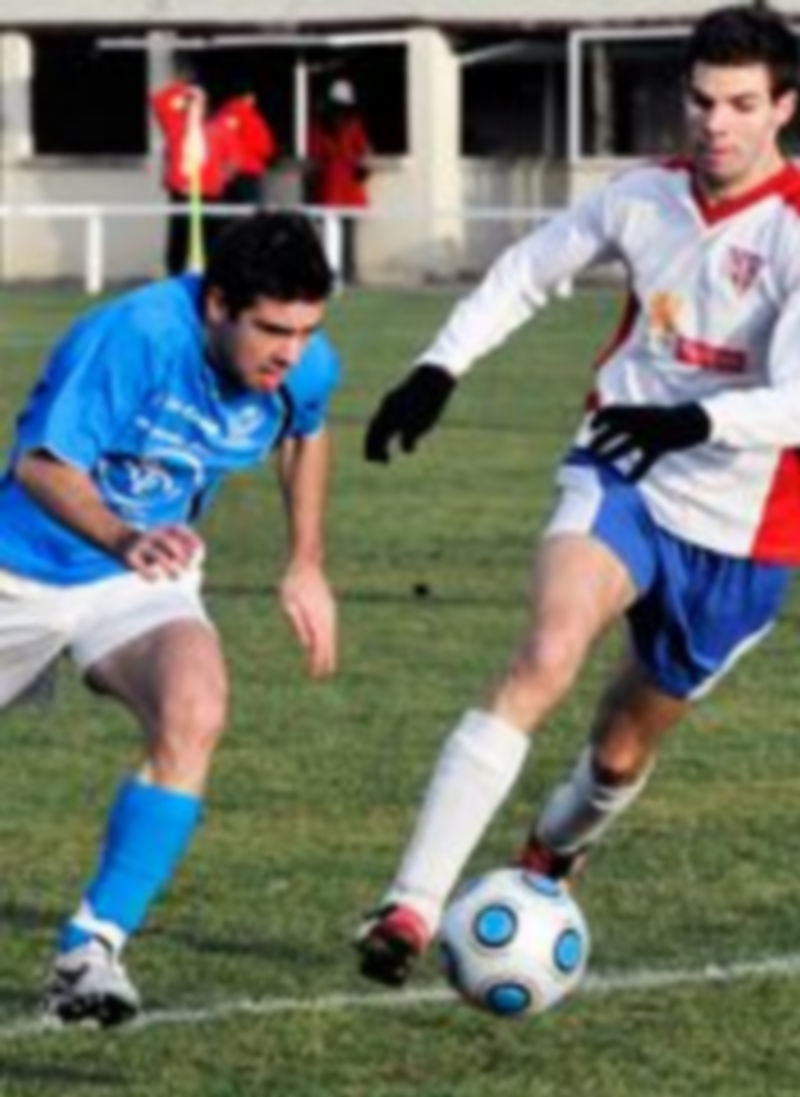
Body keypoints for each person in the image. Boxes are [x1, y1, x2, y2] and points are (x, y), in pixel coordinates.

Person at [355, 4, 800, 987]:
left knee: (614, 755)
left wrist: (695, 421)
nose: (713, 124)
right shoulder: (640, 196)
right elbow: (524, 272)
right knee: (545, 652)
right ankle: (410, 905)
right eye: (698, 100)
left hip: (747, 531)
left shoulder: (793, 229)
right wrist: (438, 367)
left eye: (738, 104)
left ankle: (552, 851)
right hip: (620, 476)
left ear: (782, 109)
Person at [0, 211, 339, 1025]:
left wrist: (304, 561)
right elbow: (43, 467)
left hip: (140, 574)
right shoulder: (135, 336)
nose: (289, 352)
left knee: (195, 705)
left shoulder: (302, 364)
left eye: (305, 330)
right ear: (218, 303)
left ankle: (93, 948)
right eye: (271, 330)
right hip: (25, 564)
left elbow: (307, 432)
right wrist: (122, 534)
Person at [151, 79, 234, 275]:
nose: (196, 105)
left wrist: (219, 180)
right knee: (179, 239)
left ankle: (212, 277)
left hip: (210, 193)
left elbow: (233, 160)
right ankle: (175, 277)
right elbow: (158, 101)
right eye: (193, 102)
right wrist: (185, 90)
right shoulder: (174, 125)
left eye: (200, 101)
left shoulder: (218, 128)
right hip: (182, 192)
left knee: (212, 240)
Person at [307, 79, 372, 284]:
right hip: (348, 186)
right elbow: (363, 153)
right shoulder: (353, 124)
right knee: (348, 233)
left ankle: (333, 273)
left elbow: (314, 155)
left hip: (328, 186)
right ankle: (349, 273)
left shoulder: (318, 125)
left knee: (328, 234)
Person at [215, 92, 278, 206]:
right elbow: (266, 148)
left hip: (225, 174)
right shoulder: (252, 117)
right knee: (249, 214)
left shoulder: (220, 116)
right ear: (250, 98)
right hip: (249, 172)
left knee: (226, 212)